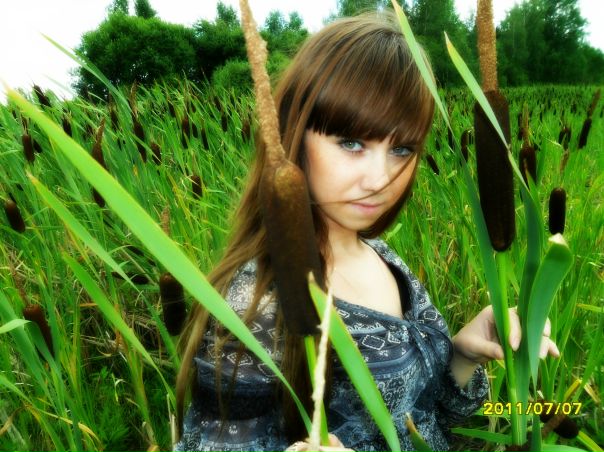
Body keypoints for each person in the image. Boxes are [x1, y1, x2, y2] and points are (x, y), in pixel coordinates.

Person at [173, 10, 559, 452]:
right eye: (352, 143)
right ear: (294, 133)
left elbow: (427, 419)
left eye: (401, 149)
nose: (380, 179)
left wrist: (464, 353)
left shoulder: (383, 256)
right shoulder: (254, 307)